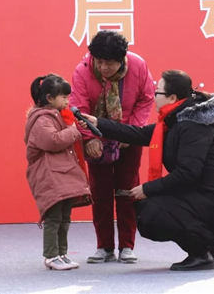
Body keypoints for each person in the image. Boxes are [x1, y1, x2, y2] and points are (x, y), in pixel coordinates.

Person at [83, 70, 214, 271]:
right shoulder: (172, 123)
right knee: (145, 207)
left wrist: (147, 188)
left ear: (172, 98)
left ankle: (201, 254)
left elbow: (188, 174)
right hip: (199, 196)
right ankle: (209, 245)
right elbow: (136, 134)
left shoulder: (193, 127)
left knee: (153, 212)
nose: (154, 97)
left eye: (157, 92)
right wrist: (98, 123)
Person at [69, 31, 154, 264]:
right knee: (100, 192)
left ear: (122, 59)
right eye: (99, 61)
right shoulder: (82, 70)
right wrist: (90, 138)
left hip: (129, 135)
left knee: (127, 190)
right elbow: (78, 108)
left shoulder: (138, 65)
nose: (103, 67)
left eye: (109, 63)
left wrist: (132, 131)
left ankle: (127, 246)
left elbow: (146, 98)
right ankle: (104, 246)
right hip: (97, 136)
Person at [24, 74, 92, 271]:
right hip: (50, 176)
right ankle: (51, 255)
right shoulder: (42, 119)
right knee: (54, 218)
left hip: (61, 175)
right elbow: (52, 141)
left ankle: (62, 253)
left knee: (64, 216)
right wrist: (73, 129)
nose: (67, 101)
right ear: (49, 98)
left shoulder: (56, 116)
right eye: (63, 97)